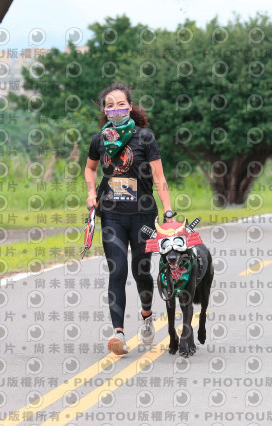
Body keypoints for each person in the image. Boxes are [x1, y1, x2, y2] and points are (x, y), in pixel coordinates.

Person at [85, 82, 175, 356]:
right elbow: (89, 170)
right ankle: (118, 334)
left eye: (120, 104)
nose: (115, 109)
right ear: (104, 110)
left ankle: (147, 316)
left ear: (130, 107)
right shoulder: (99, 139)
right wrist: (91, 192)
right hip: (112, 214)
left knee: (141, 271)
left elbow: (159, 177)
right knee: (118, 270)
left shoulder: (145, 138)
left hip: (143, 215)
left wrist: (169, 212)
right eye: (109, 105)